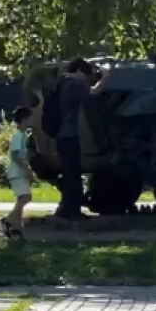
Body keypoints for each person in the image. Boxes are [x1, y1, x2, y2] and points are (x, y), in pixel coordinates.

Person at [53, 59, 102, 222]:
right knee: (73, 174)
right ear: (80, 72)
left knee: (69, 174)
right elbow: (92, 93)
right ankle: (72, 211)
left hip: (62, 135)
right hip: (70, 135)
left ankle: (66, 208)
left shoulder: (62, 83)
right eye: (87, 74)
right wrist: (106, 78)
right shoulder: (73, 84)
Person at [0, 104, 37, 240]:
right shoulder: (18, 135)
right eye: (31, 117)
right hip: (17, 172)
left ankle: (17, 227)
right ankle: (8, 221)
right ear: (24, 119)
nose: (33, 120)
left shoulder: (22, 135)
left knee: (22, 199)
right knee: (25, 198)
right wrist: (27, 169)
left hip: (18, 173)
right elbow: (15, 155)